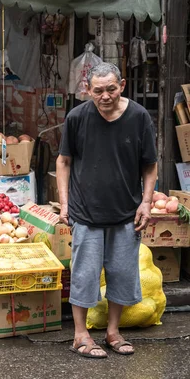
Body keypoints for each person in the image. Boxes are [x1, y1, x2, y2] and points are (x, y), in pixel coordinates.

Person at [56, 62, 158, 359]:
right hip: (86, 212)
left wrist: (147, 202)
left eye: (111, 89)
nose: (105, 96)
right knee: (85, 275)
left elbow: (149, 165)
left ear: (122, 86)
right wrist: (64, 203)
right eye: (97, 90)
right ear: (87, 89)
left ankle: (113, 332)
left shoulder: (139, 117)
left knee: (122, 274)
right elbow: (64, 162)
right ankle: (80, 336)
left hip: (126, 212)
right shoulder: (77, 117)